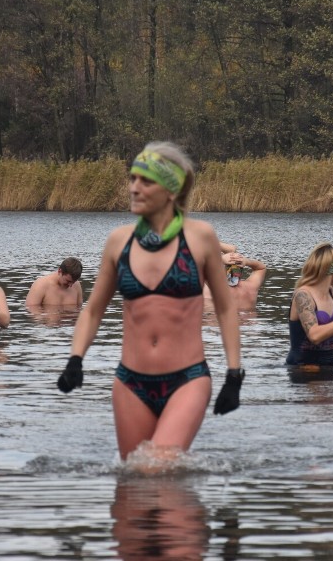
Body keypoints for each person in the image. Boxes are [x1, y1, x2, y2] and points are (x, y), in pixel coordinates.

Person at [56, 141, 242, 462]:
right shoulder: (119, 242)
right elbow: (93, 311)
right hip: (130, 383)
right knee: (133, 489)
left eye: (145, 181)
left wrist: (234, 373)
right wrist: (75, 359)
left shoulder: (200, 238)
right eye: (132, 179)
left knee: (154, 468)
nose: (134, 188)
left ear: (171, 191)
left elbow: (226, 309)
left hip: (188, 379)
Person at [203, 251, 267, 311]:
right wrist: (247, 261)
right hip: (248, 321)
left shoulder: (218, 288)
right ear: (241, 267)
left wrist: (221, 259)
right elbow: (261, 268)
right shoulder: (252, 286)